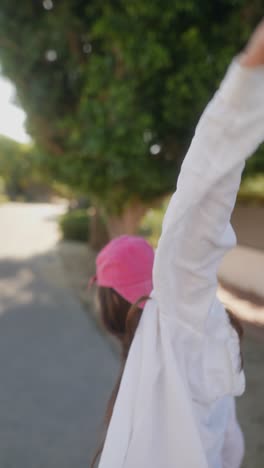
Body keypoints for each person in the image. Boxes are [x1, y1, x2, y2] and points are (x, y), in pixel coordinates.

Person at [90, 19, 264, 468]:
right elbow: (231, 450)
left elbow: (198, 212)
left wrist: (247, 80)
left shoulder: (176, 320)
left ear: (112, 303)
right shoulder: (181, 338)